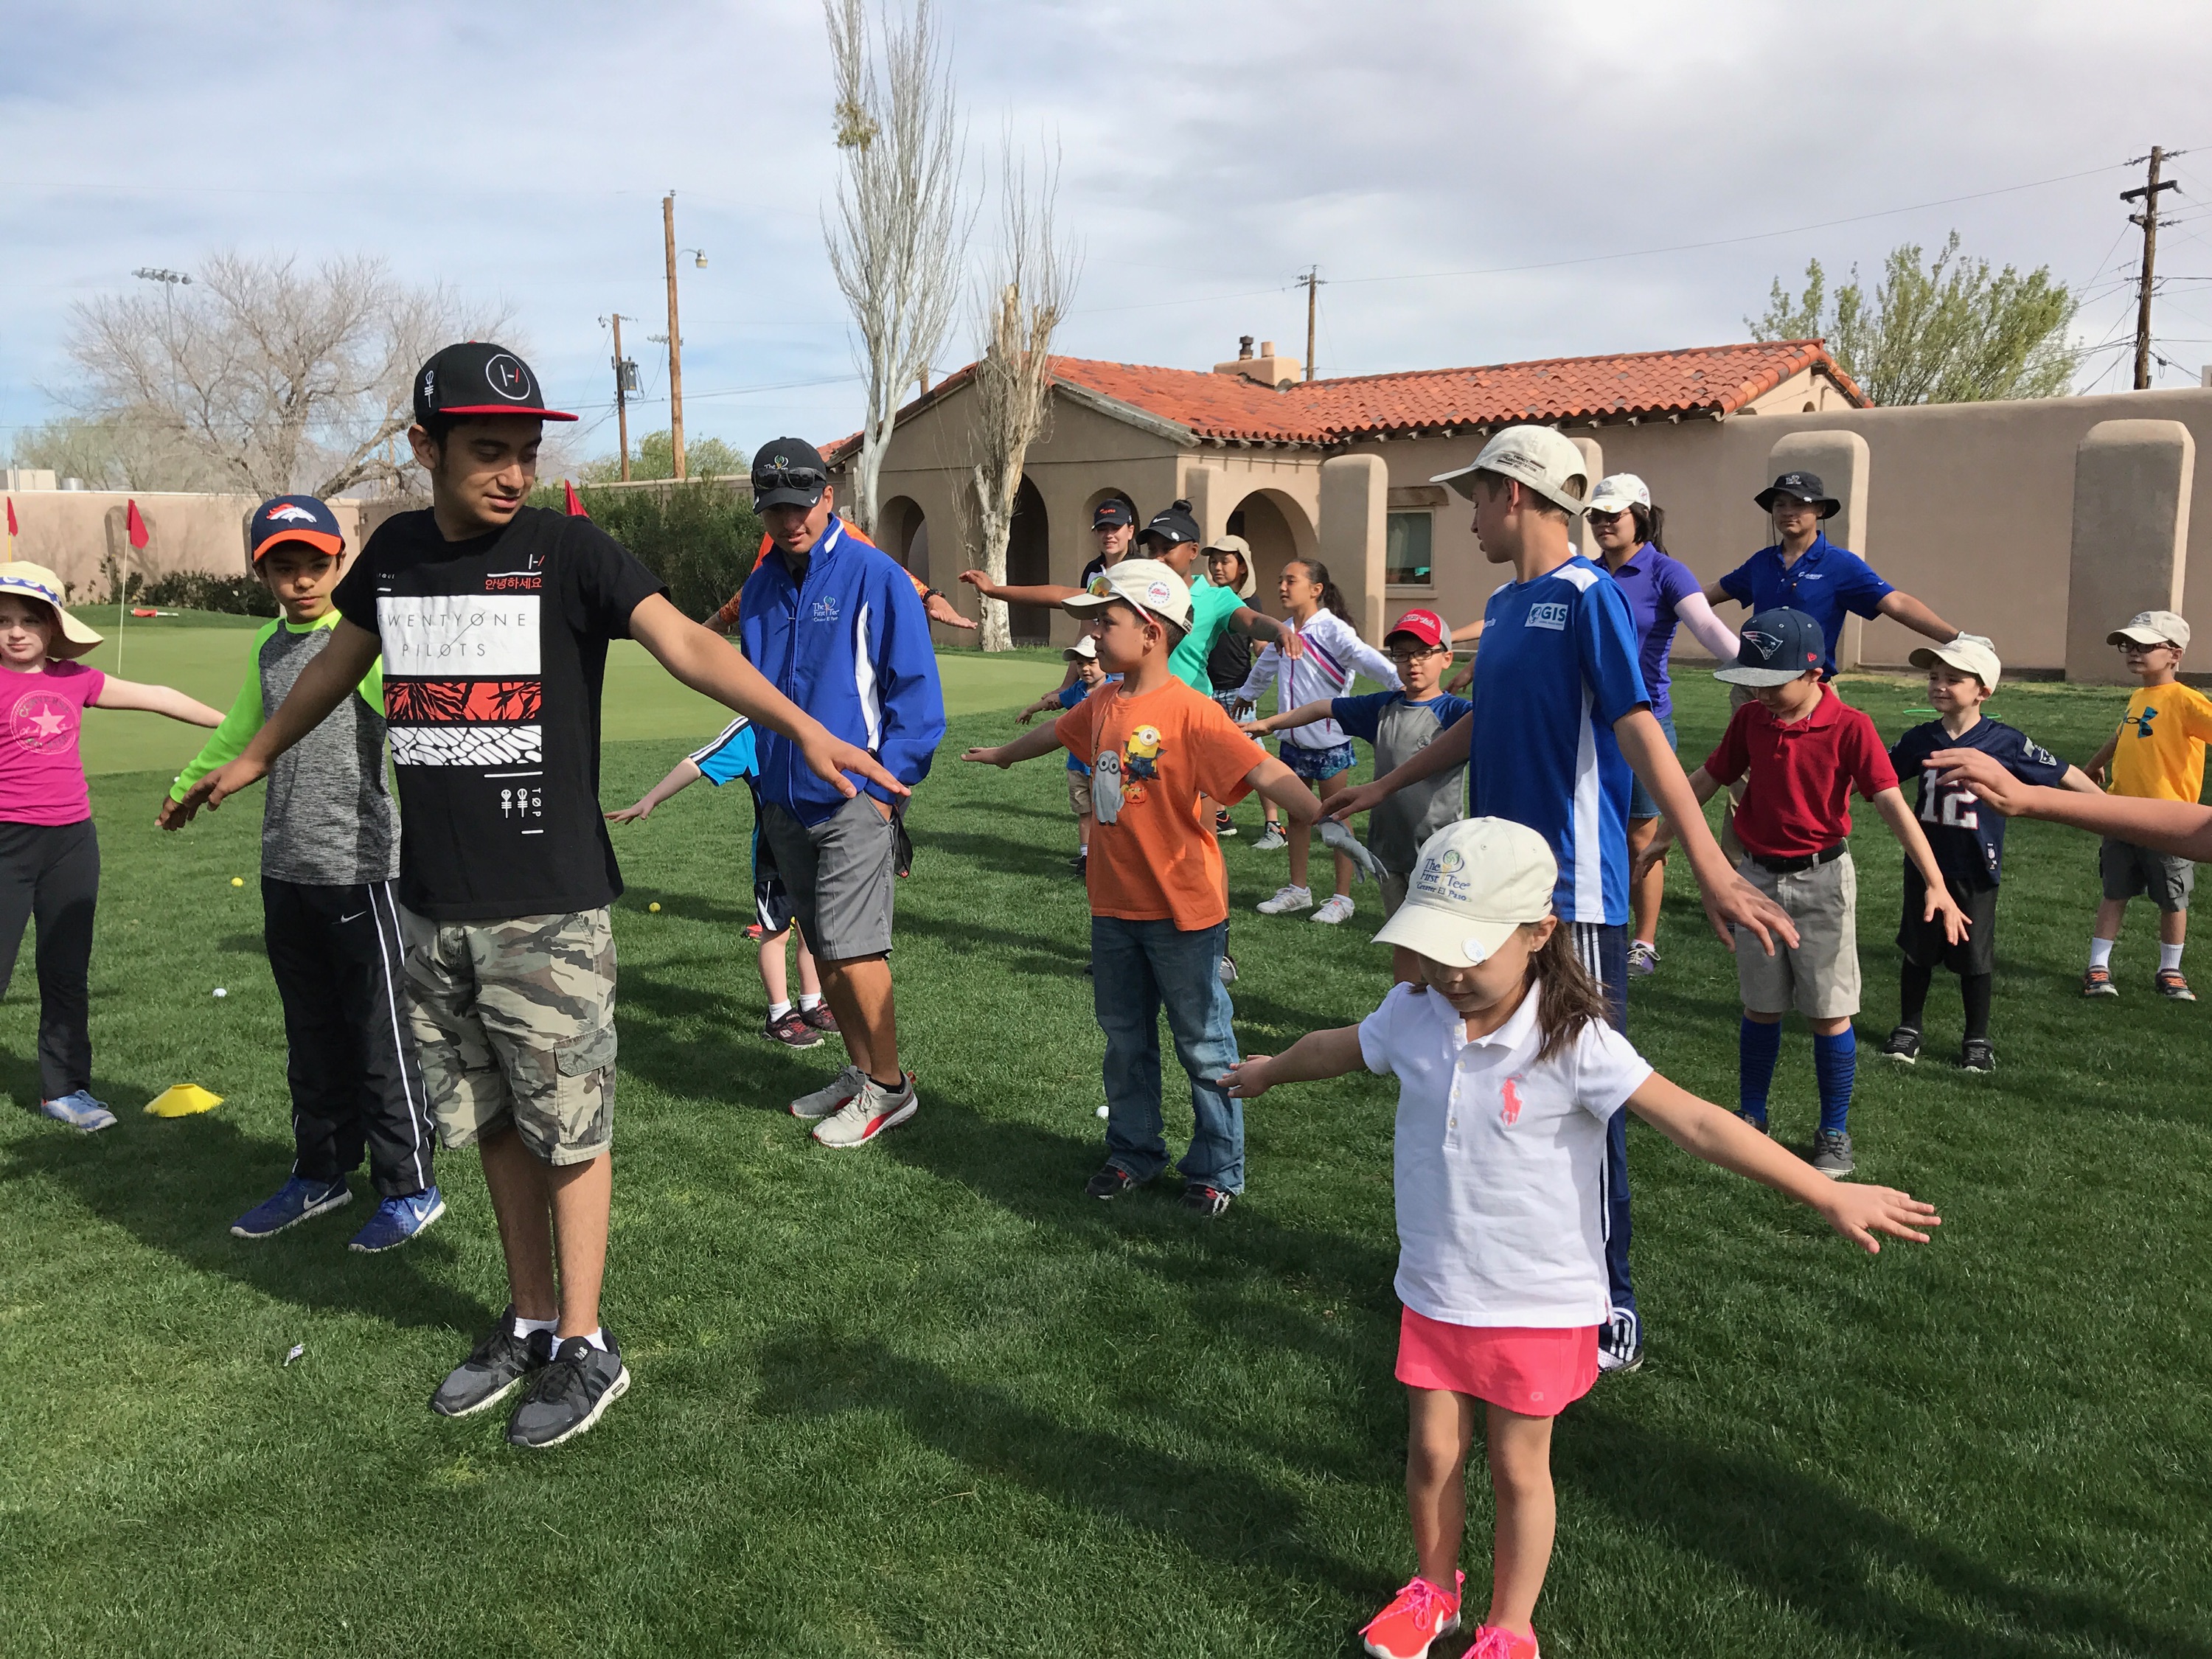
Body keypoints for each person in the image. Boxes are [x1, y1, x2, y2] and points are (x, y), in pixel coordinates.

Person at [184, 345, 905, 1449]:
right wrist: (256, 753)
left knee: (568, 1131)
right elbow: (336, 662)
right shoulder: (396, 555)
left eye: (526, 451)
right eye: (489, 451)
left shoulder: (569, 550)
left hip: (548, 908)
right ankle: (527, 1320)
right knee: (491, 1125)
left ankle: (585, 1341)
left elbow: (685, 641)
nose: (515, 473)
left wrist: (801, 725)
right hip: (431, 907)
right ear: (424, 447)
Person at [1220, 817, 1940, 1659]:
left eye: (1471, 951)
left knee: (1518, 1468)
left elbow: (1698, 1123)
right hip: (1436, 1285)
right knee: (1431, 1452)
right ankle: (1433, 1591)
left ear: (1539, 932)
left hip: (1537, 1298)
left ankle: (1509, 1627)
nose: (1449, 972)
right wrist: (1269, 1071)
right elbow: (1335, 1048)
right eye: (1436, 948)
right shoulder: (1413, 1014)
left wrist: (1824, 1191)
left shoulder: (1574, 1040)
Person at [1329, 425, 1798, 1374]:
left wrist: (1707, 861)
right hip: (1493, 900)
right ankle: (1489, 1267)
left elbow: (1639, 728)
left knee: (1590, 1099)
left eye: (1475, 497)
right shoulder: (1504, 608)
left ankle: (1610, 1294)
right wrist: (1387, 784)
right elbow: (1483, 724)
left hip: (1574, 897)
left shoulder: (1588, 597)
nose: (1468, 517)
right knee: (1497, 1086)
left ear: (1514, 494)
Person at [961, 559, 1373, 1217]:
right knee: (1125, 1042)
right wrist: (1004, 755)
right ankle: (1134, 1152)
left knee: (1204, 1045)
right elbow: (1058, 731)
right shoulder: (1103, 700)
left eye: (1107, 621)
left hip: (1184, 914)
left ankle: (1216, 1169)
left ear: (1151, 632)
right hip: (1113, 909)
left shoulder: (1192, 712)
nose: (1095, 633)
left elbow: (1262, 770)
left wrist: (1322, 819)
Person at [161, 497, 439, 1250]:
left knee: (380, 1037)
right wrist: (188, 785)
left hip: (363, 870)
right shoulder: (267, 645)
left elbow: (418, 723)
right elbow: (241, 732)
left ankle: (410, 1187)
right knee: (311, 1036)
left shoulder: (363, 642)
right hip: (286, 868)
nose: (302, 581)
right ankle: (320, 1172)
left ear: (340, 563)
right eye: (284, 568)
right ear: (262, 575)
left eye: (316, 565)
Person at [1637, 609, 1968, 1178]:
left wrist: (1936, 882)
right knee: (1760, 1006)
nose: (1760, 693)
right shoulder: (1751, 720)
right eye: (1752, 681)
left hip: (1823, 882)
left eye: (1773, 682)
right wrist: (1665, 835)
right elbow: (1708, 778)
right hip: (1755, 880)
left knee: (1829, 1013)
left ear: (1814, 673)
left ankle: (1833, 1130)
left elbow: (1891, 802)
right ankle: (1752, 1117)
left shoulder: (1851, 726)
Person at [739, 439, 947, 1147]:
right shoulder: (761, 588)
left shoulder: (874, 575)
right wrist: (767, 784)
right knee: (824, 950)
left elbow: (916, 699)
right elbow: (758, 694)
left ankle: (889, 1089)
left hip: (856, 800)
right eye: (775, 509)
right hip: (784, 801)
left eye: (801, 504)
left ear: (828, 498)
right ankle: (863, 1072)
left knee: (855, 952)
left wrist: (885, 796)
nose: (789, 520)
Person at [0, 563, 222, 1132]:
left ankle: (64, 1089)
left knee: (66, 970)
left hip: (72, 841)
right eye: (3, 621)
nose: (16, 632)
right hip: (6, 842)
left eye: (30, 620)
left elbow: (157, 696)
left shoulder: (75, 679)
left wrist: (234, 728)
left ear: (53, 628)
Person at [1702, 469, 1980, 860]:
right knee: (1743, 785)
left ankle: (1808, 863)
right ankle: (1737, 875)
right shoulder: (1761, 563)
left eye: (1798, 504)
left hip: (1811, 693)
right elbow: (1706, 596)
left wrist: (1956, 638)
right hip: (1754, 689)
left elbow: (1896, 603)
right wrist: (1656, 601)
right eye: (1780, 504)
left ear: (1819, 511)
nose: (1788, 511)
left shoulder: (1840, 565)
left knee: (1808, 787)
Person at [1877, 636, 2098, 1071]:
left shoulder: (2006, 742)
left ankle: (1976, 1038)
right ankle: (1909, 1027)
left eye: (1953, 679)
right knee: (1919, 950)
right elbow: (1877, 777)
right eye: (1934, 677)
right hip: (1925, 865)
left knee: (1974, 957)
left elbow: (2064, 773)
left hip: (1976, 867)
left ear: (1983, 691)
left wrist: (2110, 811)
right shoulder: (1920, 738)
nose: (1939, 686)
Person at [1242, 606, 1470, 983]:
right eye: (1402, 654)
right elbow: (1322, 707)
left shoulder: (1459, 714)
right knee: (1401, 939)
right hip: (1388, 850)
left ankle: (1445, 1010)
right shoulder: (1383, 707)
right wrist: (1269, 723)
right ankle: (1405, 1005)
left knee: (1440, 945)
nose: (1413, 662)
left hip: (1437, 854)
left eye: (1423, 652)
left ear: (1446, 658)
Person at [1580, 474, 1744, 978]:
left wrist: (1761, 673)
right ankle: (1593, 930)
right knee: (1589, 831)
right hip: (1590, 724)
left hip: (1646, 721)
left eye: (1614, 514)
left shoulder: (1666, 572)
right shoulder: (1585, 572)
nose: (1603, 523)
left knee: (1642, 837)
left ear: (1641, 517)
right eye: (1596, 515)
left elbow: (1708, 626)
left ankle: (1643, 941)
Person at [604, 715, 840, 1049]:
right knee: (776, 933)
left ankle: (811, 1003)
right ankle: (779, 1015)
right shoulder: (752, 728)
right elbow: (696, 763)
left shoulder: (817, 716)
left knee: (810, 930)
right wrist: (651, 799)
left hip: (817, 849)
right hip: (774, 857)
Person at [1234, 557, 1401, 925]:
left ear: (1316, 589)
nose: (1282, 587)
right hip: (1292, 743)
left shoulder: (1333, 630)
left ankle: (1342, 898)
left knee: (1336, 816)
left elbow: (1366, 659)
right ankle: (1298, 889)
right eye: (1281, 580)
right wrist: (1247, 695)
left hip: (1329, 743)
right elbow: (1265, 667)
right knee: (1297, 817)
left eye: (1291, 581)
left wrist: (1402, 686)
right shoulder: (1285, 633)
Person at [2076, 609, 2212, 1000]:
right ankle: (2098, 967)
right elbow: (2122, 735)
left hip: (2169, 821)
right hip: (2121, 814)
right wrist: (2093, 766)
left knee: (2172, 898)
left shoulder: (2186, 701)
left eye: (2145, 646)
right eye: (2129, 645)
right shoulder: (2139, 696)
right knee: (2114, 891)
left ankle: (2171, 970)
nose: (2134, 652)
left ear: (2175, 654)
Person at [1197, 533, 1284, 846]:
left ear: (1243, 567)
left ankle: (1275, 825)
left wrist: (1273, 650)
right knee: (1209, 755)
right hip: (1208, 691)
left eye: (1225, 561)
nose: (1217, 567)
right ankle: (1220, 816)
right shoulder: (1207, 599)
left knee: (1252, 757)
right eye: (1213, 562)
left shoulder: (1250, 603)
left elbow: (1259, 644)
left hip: (1238, 693)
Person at [1012, 635, 1120, 877]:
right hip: (1077, 765)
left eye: (1091, 662)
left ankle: (1106, 855)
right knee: (1084, 812)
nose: (1085, 669)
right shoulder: (1077, 691)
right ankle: (1086, 856)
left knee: (1105, 814)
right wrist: (1030, 709)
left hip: (1104, 768)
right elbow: (1055, 701)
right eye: (1080, 664)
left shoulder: (1114, 691)